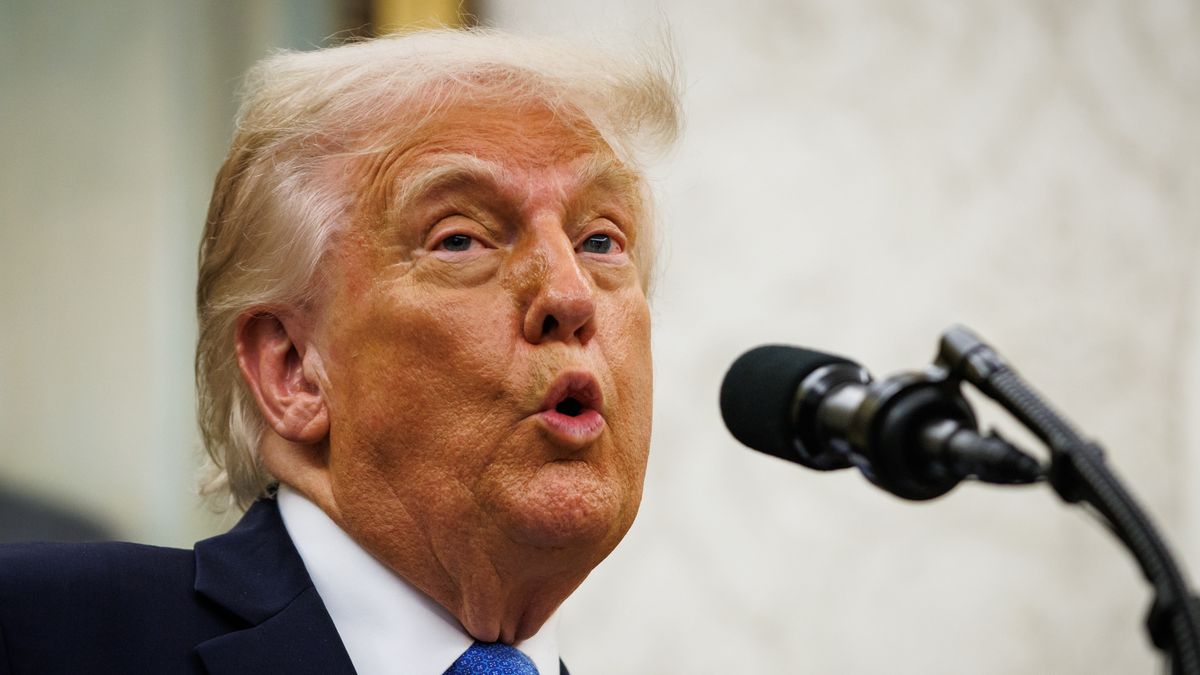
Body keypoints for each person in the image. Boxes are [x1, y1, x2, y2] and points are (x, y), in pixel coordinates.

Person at [0, 29, 680, 675]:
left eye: (601, 241)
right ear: (292, 369)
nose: (570, 293)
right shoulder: (41, 629)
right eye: (460, 238)